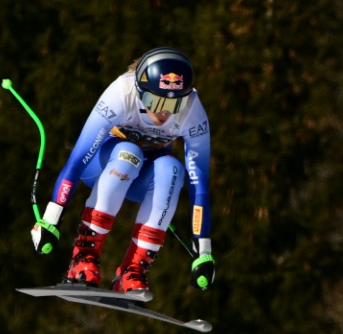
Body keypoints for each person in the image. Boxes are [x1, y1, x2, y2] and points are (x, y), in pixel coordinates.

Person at [30, 47, 215, 295]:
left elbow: (199, 185)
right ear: (139, 91)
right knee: (130, 153)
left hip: (142, 181)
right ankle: (83, 259)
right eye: (155, 101)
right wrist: (50, 219)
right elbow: (77, 160)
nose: (163, 112)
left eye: (174, 104)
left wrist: (203, 252)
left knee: (173, 169)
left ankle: (132, 271)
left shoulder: (193, 111)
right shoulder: (122, 93)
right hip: (102, 166)